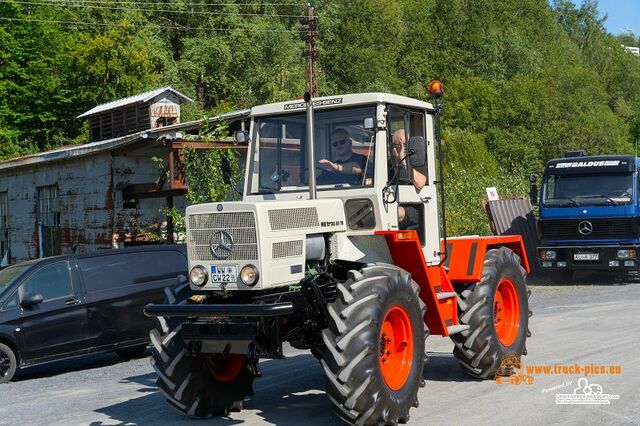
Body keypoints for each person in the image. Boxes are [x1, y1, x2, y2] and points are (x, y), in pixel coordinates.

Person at [391, 129, 427, 229]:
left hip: (415, 208)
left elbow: (420, 183)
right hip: (394, 203)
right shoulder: (388, 165)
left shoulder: (417, 161)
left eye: (406, 145)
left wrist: (404, 163)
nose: (404, 148)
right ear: (393, 146)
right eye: (400, 144)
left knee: (395, 212)